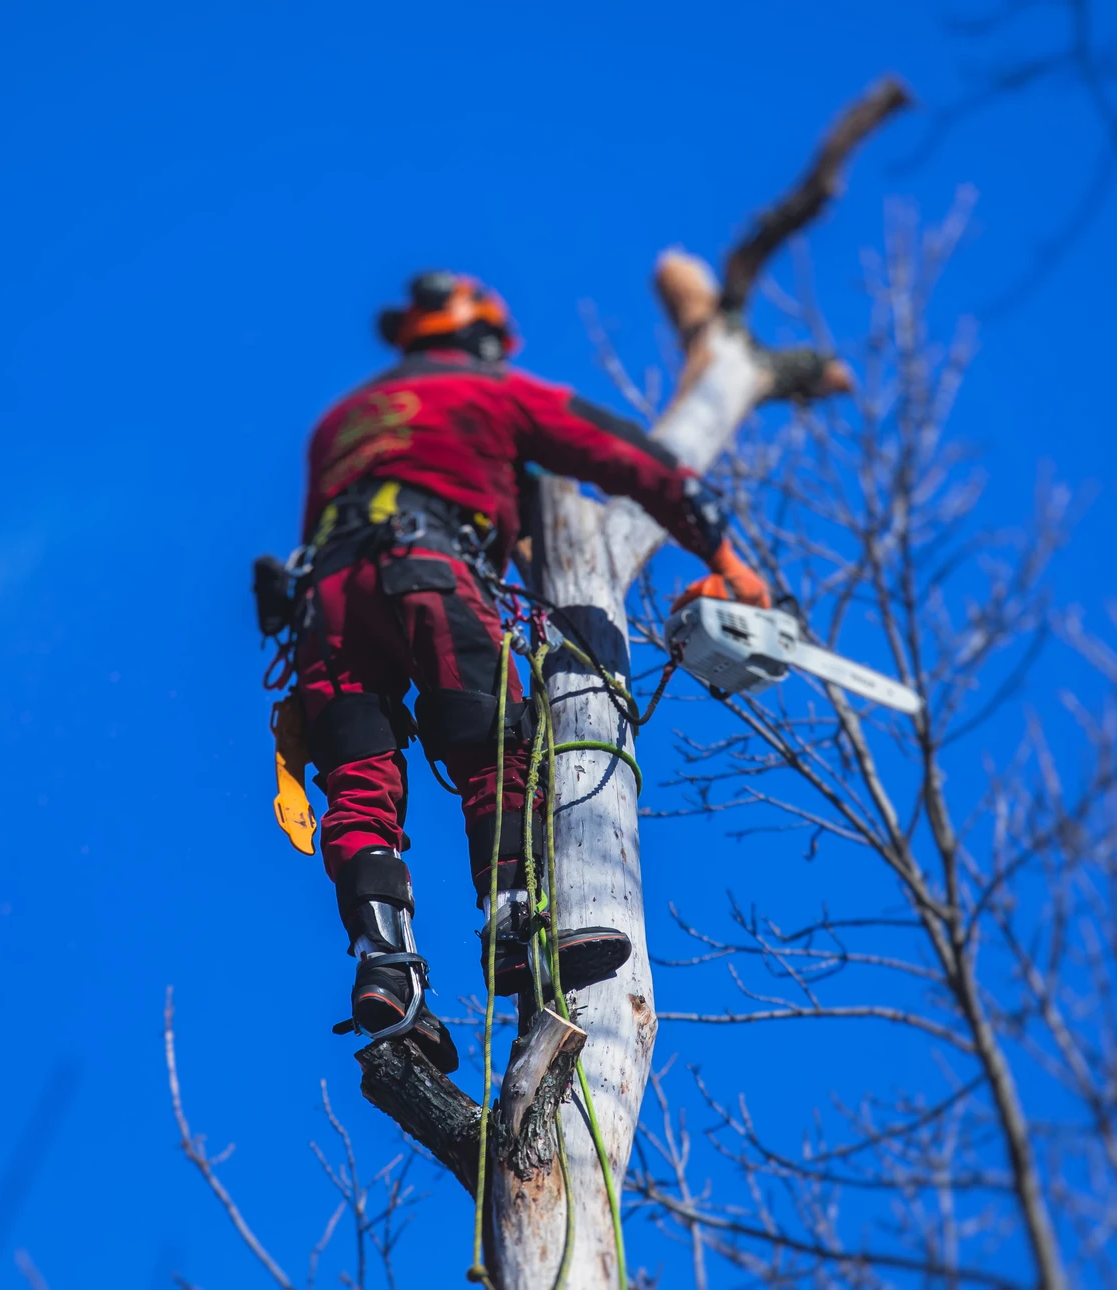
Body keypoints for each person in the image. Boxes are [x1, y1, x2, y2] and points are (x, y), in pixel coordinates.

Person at [284, 270, 769, 1072]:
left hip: (324, 605)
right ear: (482, 340)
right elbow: (635, 461)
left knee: (360, 786)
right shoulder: (495, 393)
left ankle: (386, 970)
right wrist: (727, 559)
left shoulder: (343, 419)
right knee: (497, 746)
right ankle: (516, 926)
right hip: (427, 569)